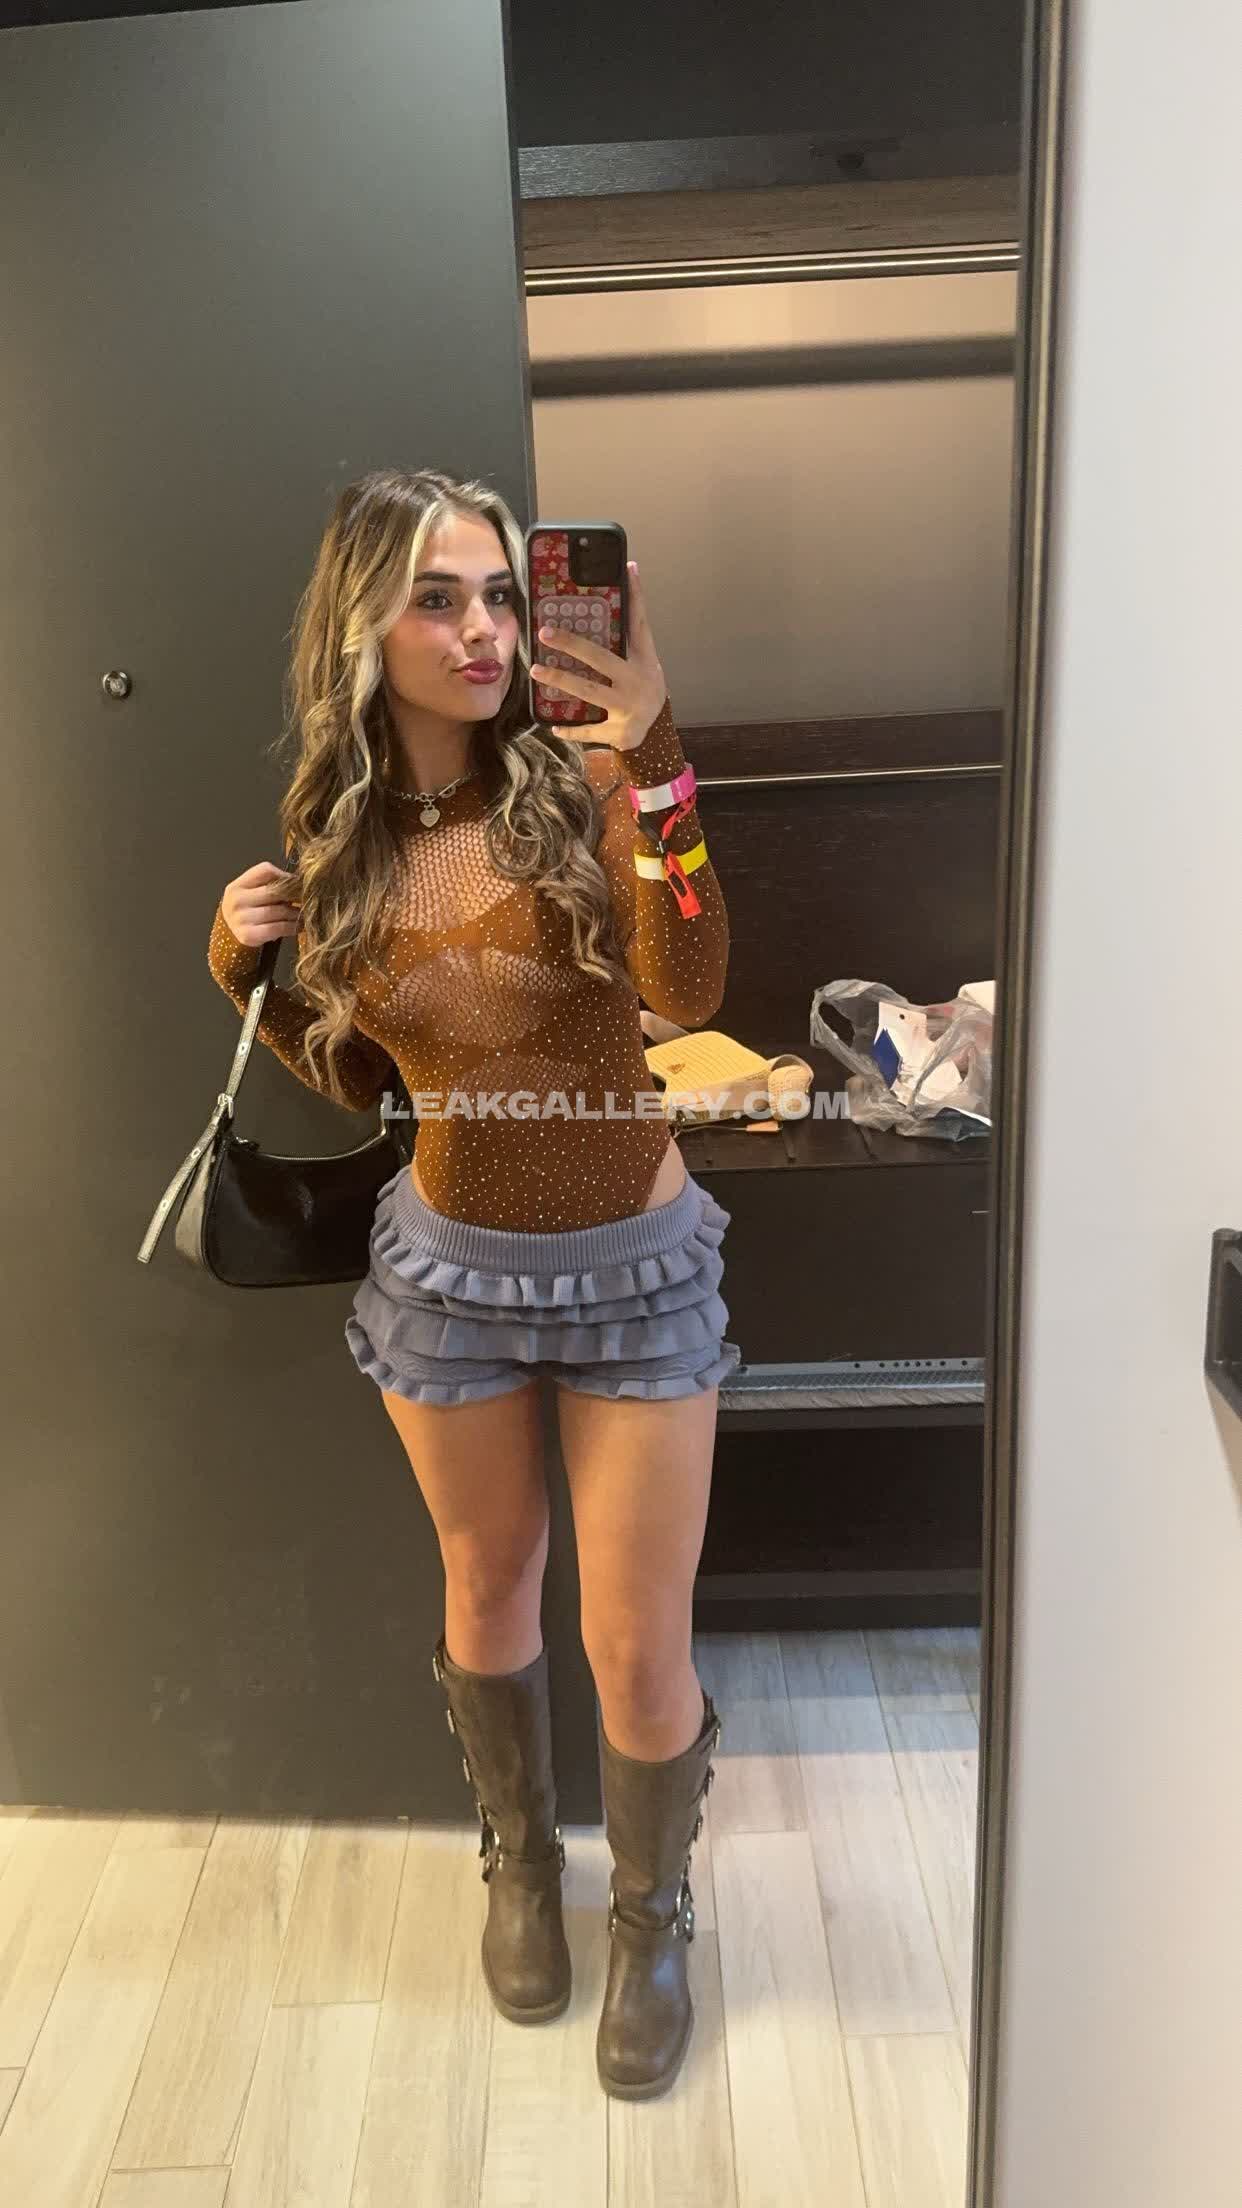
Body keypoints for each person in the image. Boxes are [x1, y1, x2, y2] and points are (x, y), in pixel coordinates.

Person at [206, 466, 738, 2100]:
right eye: (437, 599)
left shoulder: (591, 781)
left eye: (501, 593)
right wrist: (242, 973)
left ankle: (650, 1915)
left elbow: (689, 981)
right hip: (447, 1276)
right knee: (487, 1585)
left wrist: (655, 752)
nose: (484, 629)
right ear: (362, 624)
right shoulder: (341, 840)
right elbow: (366, 1084)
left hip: (634, 1264)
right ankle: (519, 1864)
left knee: (634, 1640)